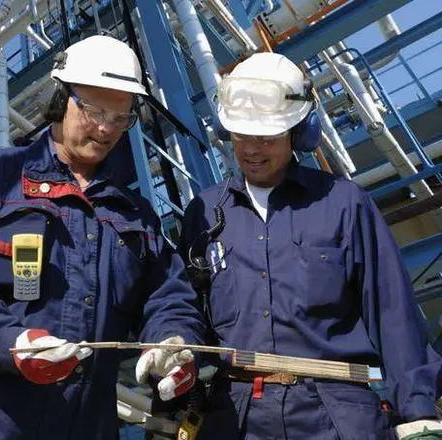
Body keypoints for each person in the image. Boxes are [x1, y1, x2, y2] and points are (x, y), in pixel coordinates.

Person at [0, 35, 206, 439]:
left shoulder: (135, 215)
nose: (107, 128)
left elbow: (167, 296)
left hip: (86, 425)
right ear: (60, 100)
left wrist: (173, 341)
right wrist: (11, 341)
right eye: (94, 111)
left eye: (122, 118)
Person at [180, 52, 442, 439]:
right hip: (236, 419)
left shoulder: (343, 203)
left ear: (298, 133)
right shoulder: (202, 213)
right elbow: (183, 309)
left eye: (266, 137)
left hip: (335, 415)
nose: (251, 149)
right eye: (240, 135)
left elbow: (392, 312)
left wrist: (419, 412)